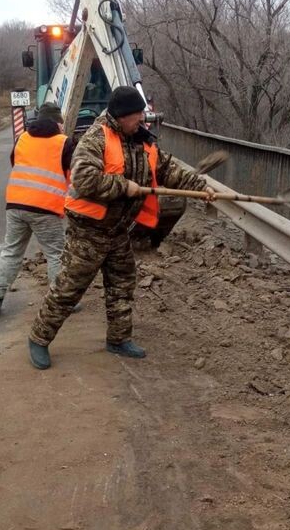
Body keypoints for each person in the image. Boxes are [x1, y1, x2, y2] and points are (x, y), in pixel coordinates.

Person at [27, 85, 215, 369]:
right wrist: (123, 186)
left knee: (122, 284)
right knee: (69, 288)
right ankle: (39, 338)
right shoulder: (96, 139)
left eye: (142, 114)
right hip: (88, 231)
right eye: (136, 115)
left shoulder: (142, 141)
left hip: (117, 230)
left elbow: (167, 170)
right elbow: (83, 179)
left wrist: (200, 187)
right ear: (120, 116)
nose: (142, 119)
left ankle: (118, 339)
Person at [0, 102, 73, 315]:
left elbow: (16, 164)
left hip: (15, 204)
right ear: (57, 122)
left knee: (11, 251)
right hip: (46, 208)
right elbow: (72, 177)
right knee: (55, 254)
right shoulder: (64, 143)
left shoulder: (22, 138)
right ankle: (59, 302)